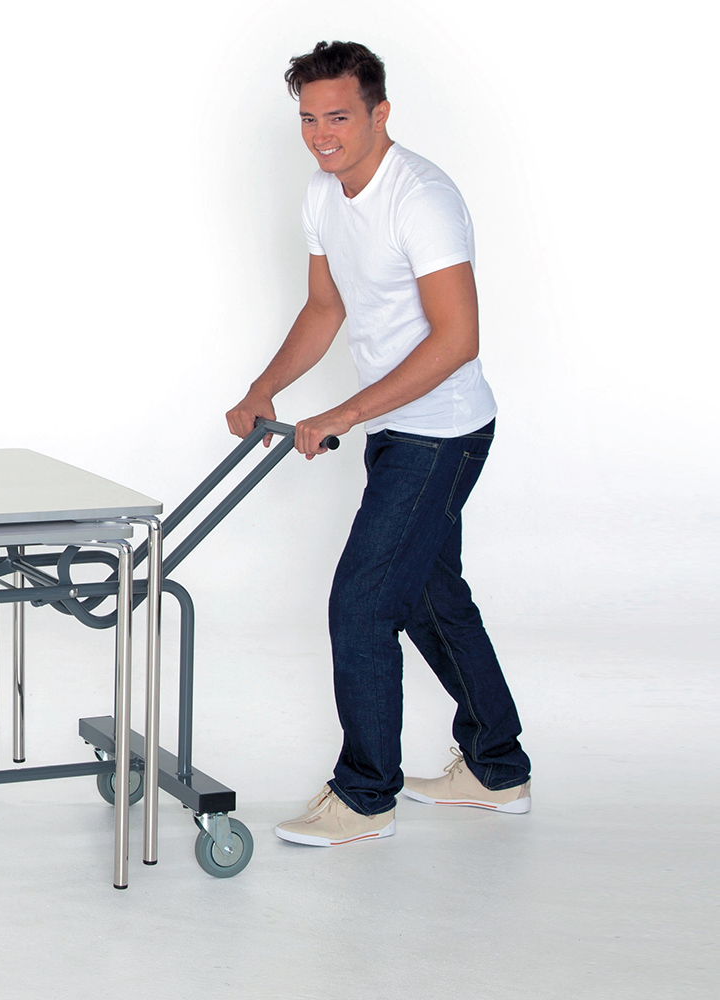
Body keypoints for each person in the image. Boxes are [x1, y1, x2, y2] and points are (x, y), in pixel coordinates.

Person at [225, 41, 532, 847]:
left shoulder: (421, 198)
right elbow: (325, 307)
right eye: (308, 118)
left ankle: (364, 797)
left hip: (443, 432)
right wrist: (265, 389)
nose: (322, 135)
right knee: (431, 598)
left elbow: (457, 339)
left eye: (338, 117)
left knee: (362, 603)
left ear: (379, 112)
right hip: (398, 428)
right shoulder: (323, 195)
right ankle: (497, 767)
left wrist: (343, 414)